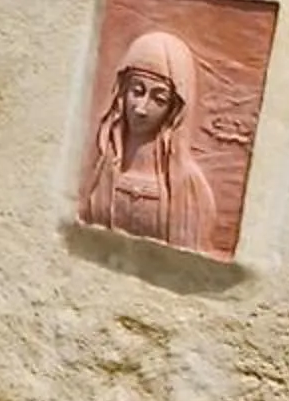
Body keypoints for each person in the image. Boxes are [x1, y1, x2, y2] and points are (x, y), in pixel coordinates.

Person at [80, 28, 220, 251]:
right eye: (137, 91)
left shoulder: (188, 186)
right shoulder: (101, 169)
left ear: (174, 109)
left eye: (159, 99)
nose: (142, 108)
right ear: (122, 92)